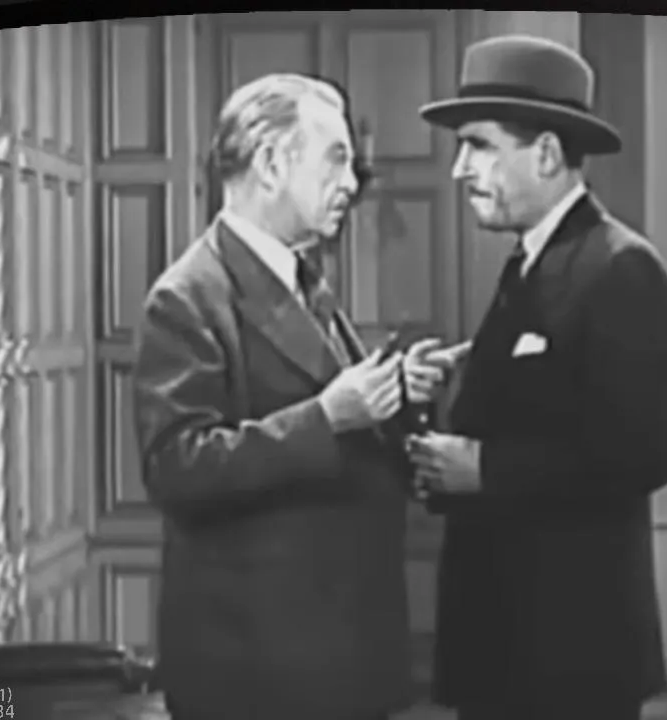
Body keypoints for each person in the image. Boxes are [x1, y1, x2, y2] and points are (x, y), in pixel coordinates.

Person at [131, 73, 447, 720]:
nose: (352, 183)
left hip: (335, 649)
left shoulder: (303, 280)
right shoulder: (188, 297)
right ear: (273, 164)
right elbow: (178, 466)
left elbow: (344, 418)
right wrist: (326, 418)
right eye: (336, 159)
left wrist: (395, 394)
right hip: (259, 667)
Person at [406, 35, 667, 720]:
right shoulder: (532, 262)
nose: (459, 170)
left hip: (570, 651)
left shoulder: (620, 268)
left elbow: (645, 454)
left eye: (478, 146)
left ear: (548, 154)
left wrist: (484, 469)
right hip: (508, 644)